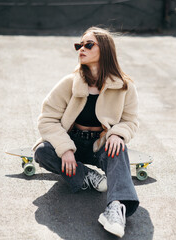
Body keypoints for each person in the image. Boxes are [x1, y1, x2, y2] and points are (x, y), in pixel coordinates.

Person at [33, 26, 139, 238]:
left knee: (119, 149)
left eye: (88, 45)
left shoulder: (125, 86)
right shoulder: (69, 83)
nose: (81, 48)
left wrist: (118, 133)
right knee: (42, 151)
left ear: (105, 50)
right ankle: (86, 175)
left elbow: (130, 120)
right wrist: (65, 149)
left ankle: (116, 208)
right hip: (72, 141)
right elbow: (47, 119)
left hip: (100, 144)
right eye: (79, 45)